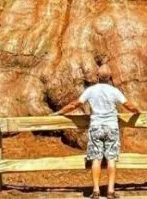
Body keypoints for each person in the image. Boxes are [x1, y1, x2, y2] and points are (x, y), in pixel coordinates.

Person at [58, 66, 140, 198]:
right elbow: (128, 105)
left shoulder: (91, 90)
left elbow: (75, 104)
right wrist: (137, 111)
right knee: (111, 159)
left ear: (97, 76)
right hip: (111, 127)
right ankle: (110, 191)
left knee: (96, 159)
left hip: (96, 126)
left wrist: (61, 112)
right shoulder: (114, 91)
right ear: (110, 77)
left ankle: (96, 190)